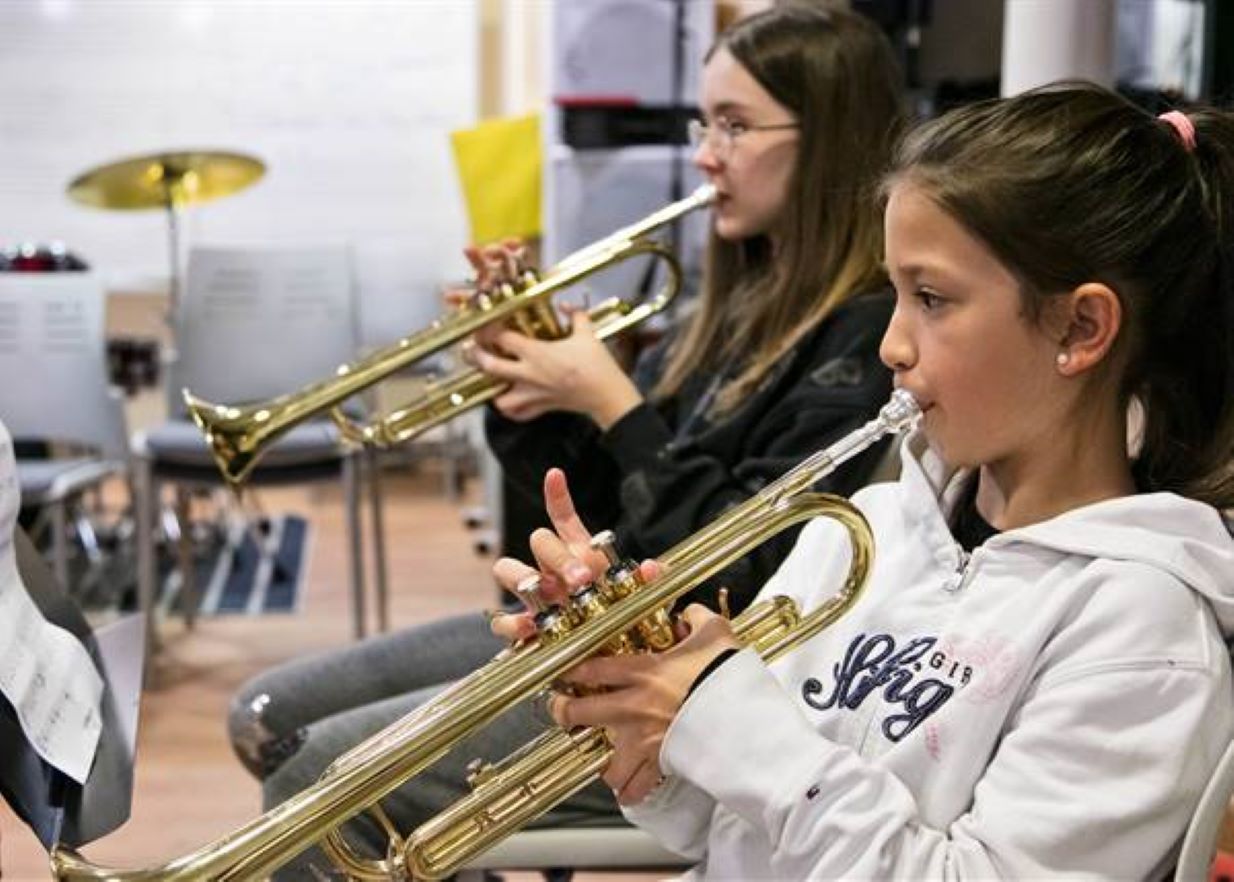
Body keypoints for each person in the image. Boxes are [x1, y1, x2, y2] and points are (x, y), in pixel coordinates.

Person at [495, 82, 1234, 879]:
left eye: (931, 299)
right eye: (896, 295)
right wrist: (643, 718)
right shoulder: (868, 530)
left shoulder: (1140, 629)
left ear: (1081, 328)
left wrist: (728, 719)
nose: (891, 345)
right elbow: (726, 829)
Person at [229, 5, 905, 875]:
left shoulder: (867, 333)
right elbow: (589, 514)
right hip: (591, 627)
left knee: (323, 779)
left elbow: (752, 567)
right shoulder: (738, 296)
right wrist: (532, 392)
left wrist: (615, 401)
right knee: (265, 713)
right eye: (706, 124)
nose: (704, 154)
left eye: (735, 127)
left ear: (831, 139)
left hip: (687, 676)